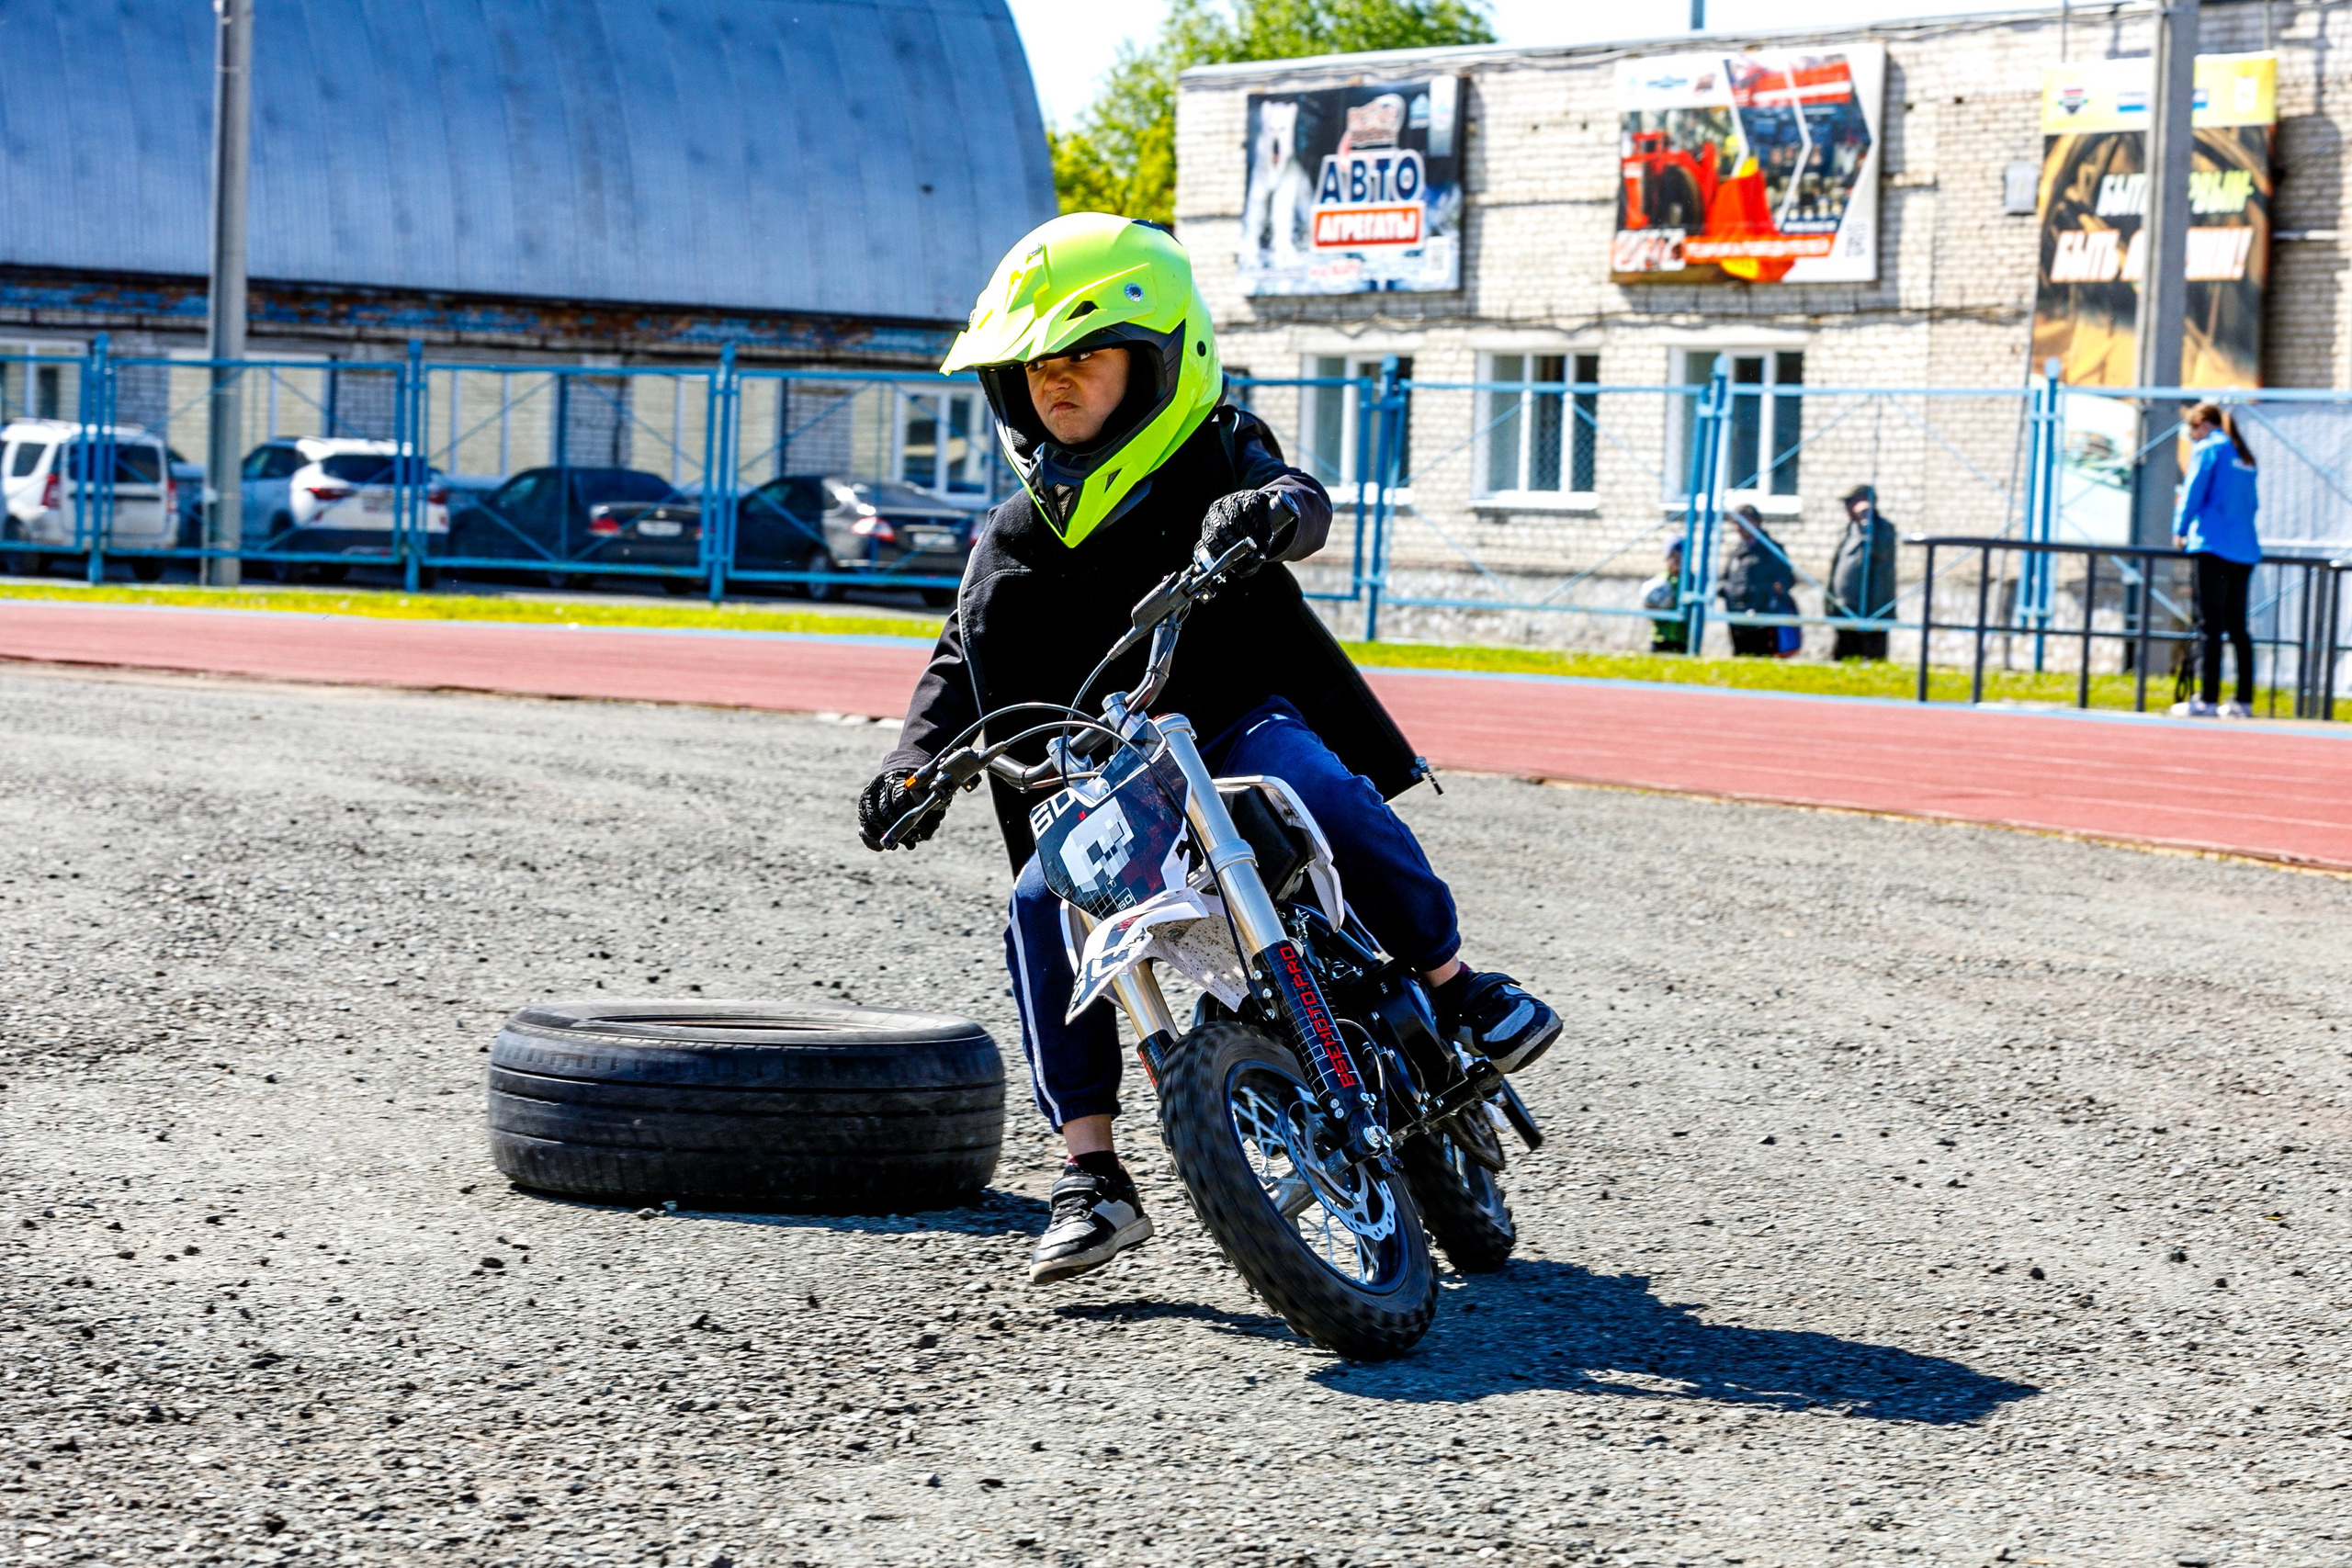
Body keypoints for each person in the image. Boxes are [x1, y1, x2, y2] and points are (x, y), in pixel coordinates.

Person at [853, 214, 1562, 1286]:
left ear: (1156, 362)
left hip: (1234, 727)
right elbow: (960, 655)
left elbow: (1301, 500)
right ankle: (1090, 1172)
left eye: (1085, 357)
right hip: (1106, 781)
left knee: (1314, 781)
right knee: (1039, 905)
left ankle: (1456, 983)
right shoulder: (1009, 533)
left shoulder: (1212, 452)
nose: (1056, 383)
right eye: (1035, 366)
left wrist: (1269, 511)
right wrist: (914, 764)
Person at [2170, 401, 2263, 718]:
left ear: (2202, 424)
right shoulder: (2244, 455)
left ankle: (2208, 699)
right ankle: (2243, 700)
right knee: (2238, 627)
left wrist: (2180, 529)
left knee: (2210, 625)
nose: (2192, 436)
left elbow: (2193, 491)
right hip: (2244, 550)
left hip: (2213, 547)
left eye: (2191, 429)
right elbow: (2251, 505)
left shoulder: (2210, 449)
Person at [1827, 484, 1897, 660]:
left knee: (1871, 658)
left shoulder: (1883, 529)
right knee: (1843, 658)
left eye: (1849, 502)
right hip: (1845, 608)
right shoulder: (1849, 529)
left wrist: (1867, 522)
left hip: (1872, 609)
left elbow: (1882, 550)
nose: (1846, 508)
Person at [1717, 505, 1797, 658]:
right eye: (1735, 523)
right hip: (1737, 619)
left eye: (1741, 523)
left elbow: (1786, 580)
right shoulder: (1737, 552)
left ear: (1755, 522)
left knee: (1762, 660)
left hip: (1762, 621)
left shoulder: (1771, 550)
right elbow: (1726, 578)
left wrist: (1771, 596)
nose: (1737, 528)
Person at [1641, 536, 1688, 653]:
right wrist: (1651, 607)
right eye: (1673, 555)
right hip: (1660, 638)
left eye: (1680, 555)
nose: (1677, 559)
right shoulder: (1660, 581)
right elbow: (1648, 607)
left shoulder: (1690, 581)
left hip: (1682, 639)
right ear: (1667, 557)